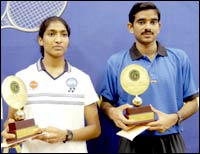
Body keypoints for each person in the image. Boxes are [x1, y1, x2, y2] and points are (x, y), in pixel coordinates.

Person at [99, 2, 199, 153]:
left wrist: (175, 117)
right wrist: (113, 113)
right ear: (130, 27)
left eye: (153, 22)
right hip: (131, 141)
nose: (147, 27)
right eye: (141, 22)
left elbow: (193, 101)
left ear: (159, 26)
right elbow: (105, 102)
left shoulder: (179, 58)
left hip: (170, 138)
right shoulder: (116, 62)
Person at [1, 16, 101, 153]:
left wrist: (66, 135)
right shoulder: (22, 77)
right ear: (40, 40)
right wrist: (9, 131)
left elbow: (95, 129)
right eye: (51, 34)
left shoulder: (82, 78)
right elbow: (11, 121)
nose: (58, 40)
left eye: (64, 34)